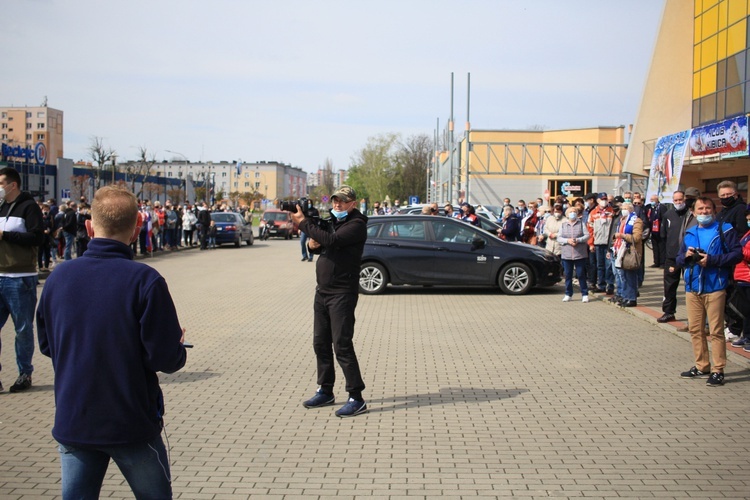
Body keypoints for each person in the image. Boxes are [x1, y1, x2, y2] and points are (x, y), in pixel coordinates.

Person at [36, 186, 187, 497]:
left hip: (74, 418)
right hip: (130, 422)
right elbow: (165, 360)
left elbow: (48, 345)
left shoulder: (58, 278)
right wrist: (176, 346)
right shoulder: (146, 281)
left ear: (90, 226)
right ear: (137, 229)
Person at [291, 185, 369, 417]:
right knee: (320, 343)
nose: (338, 204)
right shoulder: (332, 221)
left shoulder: (357, 225)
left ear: (352, 204)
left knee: (342, 345)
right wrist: (312, 245)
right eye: (335, 201)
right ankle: (326, 390)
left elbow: (333, 242)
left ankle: (356, 397)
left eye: (343, 201)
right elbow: (323, 244)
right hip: (322, 292)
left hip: (342, 293)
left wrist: (303, 223)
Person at [676, 196, 742, 386]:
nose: (704, 212)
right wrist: (686, 256)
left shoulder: (724, 229)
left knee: (716, 331)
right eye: (700, 209)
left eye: (707, 208)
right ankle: (702, 365)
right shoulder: (690, 232)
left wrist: (711, 260)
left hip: (715, 286)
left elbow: (737, 254)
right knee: (696, 329)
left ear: (714, 210)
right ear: (694, 212)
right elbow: (679, 258)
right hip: (692, 287)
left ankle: (718, 369)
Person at [0, 167, 44, 393]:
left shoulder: (29, 207)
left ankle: (24, 373)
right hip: (0, 274)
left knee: (23, 329)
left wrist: (6, 235)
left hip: (20, 278)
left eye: (1, 183)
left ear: (12, 184)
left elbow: (37, 237)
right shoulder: (0, 207)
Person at [716, 180, 747, 341]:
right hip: (722, 259)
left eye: (729, 194)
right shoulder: (722, 212)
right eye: (723, 195)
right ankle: (730, 324)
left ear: (736, 194)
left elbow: (742, 234)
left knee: (735, 295)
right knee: (726, 294)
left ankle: (736, 327)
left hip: (735, 260)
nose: (726, 197)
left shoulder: (740, 210)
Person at [657, 190, 692, 323]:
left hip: (688, 256)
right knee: (669, 286)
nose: (678, 202)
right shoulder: (668, 215)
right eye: (676, 200)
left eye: (680, 200)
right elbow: (663, 235)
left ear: (685, 199)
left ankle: (693, 316)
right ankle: (668, 312)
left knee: (690, 286)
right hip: (672, 257)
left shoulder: (691, 214)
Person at [611, 201, 643, 307]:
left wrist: (622, 235)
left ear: (631, 209)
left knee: (630, 276)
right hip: (621, 250)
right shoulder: (622, 220)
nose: (623, 210)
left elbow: (637, 238)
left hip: (630, 251)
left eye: (626, 208)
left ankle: (631, 298)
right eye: (622, 208)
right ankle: (625, 296)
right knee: (623, 276)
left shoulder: (636, 221)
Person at [558, 206, 590, 303]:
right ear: (567, 214)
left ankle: (584, 294)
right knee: (568, 275)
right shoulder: (563, 225)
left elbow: (587, 235)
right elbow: (559, 238)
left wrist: (578, 240)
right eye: (571, 212)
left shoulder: (581, 224)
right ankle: (568, 293)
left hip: (579, 253)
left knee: (581, 274)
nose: (573, 213)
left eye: (574, 212)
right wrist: (568, 241)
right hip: (567, 254)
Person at [729, 209, 750, 351]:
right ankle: (746, 335)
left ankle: (748, 337)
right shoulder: (747, 234)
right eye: (748, 218)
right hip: (741, 276)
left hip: (748, 277)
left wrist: (739, 251)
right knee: (746, 310)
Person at [587, 193, 615, 294]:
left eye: (605, 199)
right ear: (598, 200)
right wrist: (591, 243)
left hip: (609, 243)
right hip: (598, 242)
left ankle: (610, 285)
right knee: (600, 265)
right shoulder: (593, 213)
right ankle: (601, 285)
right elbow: (590, 229)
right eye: (602, 199)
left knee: (609, 265)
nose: (604, 201)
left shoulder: (612, 212)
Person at [646, 194, 667, 267]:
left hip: (660, 229)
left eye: (653, 200)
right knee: (655, 247)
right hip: (653, 230)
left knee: (661, 247)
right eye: (651, 200)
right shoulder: (651, 208)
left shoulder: (662, 207)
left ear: (657, 200)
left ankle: (662, 262)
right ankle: (656, 262)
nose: (652, 201)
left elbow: (664, 218)